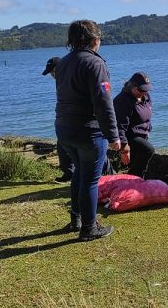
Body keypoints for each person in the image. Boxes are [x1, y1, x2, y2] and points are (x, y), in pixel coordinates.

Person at [55, 20, 120, 241]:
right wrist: (113, 135)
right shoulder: (95, 63)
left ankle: (76, 219)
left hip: (64, 128)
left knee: (79, 173)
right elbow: (104, 103)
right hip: (88, 131)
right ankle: (89, 228)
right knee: (91, 179)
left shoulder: (63, 63)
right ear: (95, 40)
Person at [113, 72, 155, 177]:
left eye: (146, 90)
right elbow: (119, 126)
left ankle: (135, 179)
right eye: (141, 90)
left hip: (143, 134)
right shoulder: (123, 101)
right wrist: (124, 147)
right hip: (130, 135)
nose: (144, 92)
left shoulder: (146, 97)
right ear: (132, 87)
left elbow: (146, 116)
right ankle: (132, 179)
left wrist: (148, 128)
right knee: (149, 150)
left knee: (138, 163)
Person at [43, 57, 75, 183]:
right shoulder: (60, 81)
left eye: (53, 72)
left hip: (75, 118)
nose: (52, 75)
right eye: (51, 73)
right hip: (64, 118)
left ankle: (107, 173)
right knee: (62, 147)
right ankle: (69, 173)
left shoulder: (72, 78)